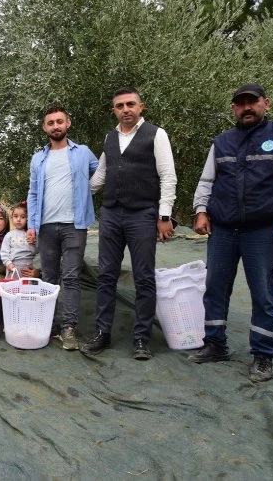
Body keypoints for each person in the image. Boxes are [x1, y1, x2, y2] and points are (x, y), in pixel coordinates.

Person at [189, 83, 273, 382]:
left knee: (264, 294)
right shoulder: (222, 142)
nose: (246, 108)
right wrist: (201, 211)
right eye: (240, 103)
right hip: (224, 230)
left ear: (265, 103)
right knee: (215, 288)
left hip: (264, 230)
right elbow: (206, 181)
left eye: (252, 102)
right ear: (233, 108)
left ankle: (263, 355)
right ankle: (215, 344)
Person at [80, 87, 177, 360]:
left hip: (142, 215)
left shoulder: (156, 135)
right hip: (110, 215)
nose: (126, 109)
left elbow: (168, 177)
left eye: (130, 104)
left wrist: (164, 216)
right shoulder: (110, 138)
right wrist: (71, 197)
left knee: (144, 277)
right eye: (120, 105)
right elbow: (100, 177)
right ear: (114, 110)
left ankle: (141, 338)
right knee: (106, 275)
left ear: (141, 106)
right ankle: (102, 332)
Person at [27, 105, 98, 350]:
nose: (55, 126)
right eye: (50, 122)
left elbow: (102, 175)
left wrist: (87, 193)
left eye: (60, 121)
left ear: (68, 123)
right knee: (48, 278)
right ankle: (49, 324)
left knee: (71, 277)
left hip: (74, 225)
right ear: (44, 127)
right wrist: (31, 224)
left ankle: (69, 328)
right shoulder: (38, 158)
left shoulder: (83, 153)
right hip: (46, 226)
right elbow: (33, 193)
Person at [0, 201, 37, 277]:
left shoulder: (31, 234)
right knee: (12, 287)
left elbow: (35, 252)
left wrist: (33, 243)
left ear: (28, 219)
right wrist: (8, 263)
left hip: (27, 269)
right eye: (16, 216)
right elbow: (4, 252)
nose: (19, 219)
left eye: (23, 217)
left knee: (27, 288)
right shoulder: (9, 235)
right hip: (13, 268)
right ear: (12, 217)